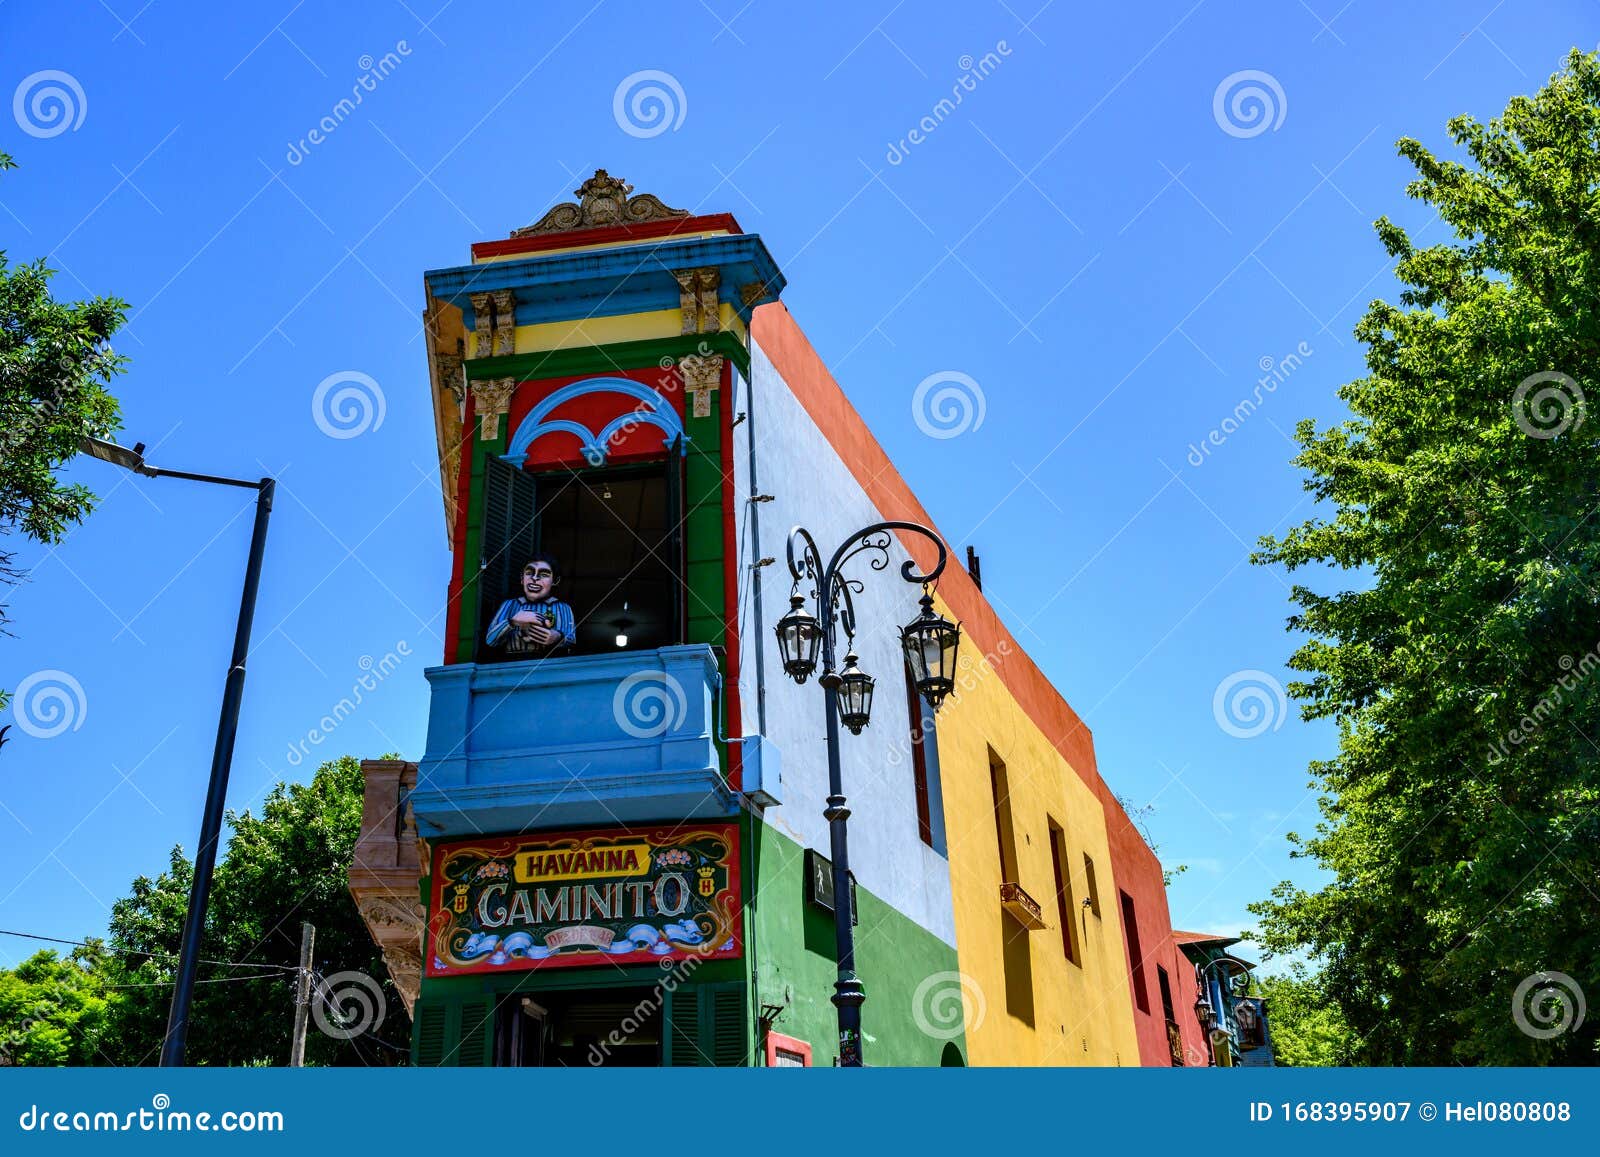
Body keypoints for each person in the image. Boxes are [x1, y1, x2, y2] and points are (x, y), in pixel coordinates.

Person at [485, 553, 577, 656]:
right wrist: (512, 621)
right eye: (529, 573)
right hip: (512, 664)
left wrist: (557, 636)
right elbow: (490, 640)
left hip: (548, 664)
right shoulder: (510, 604)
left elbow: (572, 639)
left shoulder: (562, 607)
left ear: (555, 581)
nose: (535, 578)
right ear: (522, 578)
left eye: (544, 575)